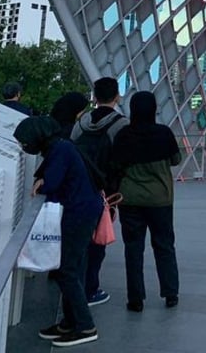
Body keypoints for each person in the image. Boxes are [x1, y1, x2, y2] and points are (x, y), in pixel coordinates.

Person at [14, 116, 103, 348]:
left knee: (67, 270)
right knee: (75, 267)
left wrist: (42, 182)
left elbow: (51, 183)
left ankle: (85, 326)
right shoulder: (62, 146)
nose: (24, 147)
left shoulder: (60, 150)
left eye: (25, 142)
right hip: (84, 210)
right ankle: (70, 321)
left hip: (79, 214)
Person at [110, 91, 181, 312]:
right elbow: (176, 160)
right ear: (153, 109)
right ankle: (170, 292)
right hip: (160, 199)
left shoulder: (124, 135)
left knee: (133, 248)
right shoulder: (163, 133)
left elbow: (115, 164)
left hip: (129, 199)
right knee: (164, 245)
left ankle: (135, 298)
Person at [71, 77, 128, 306]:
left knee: (81, 237)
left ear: (94, 97)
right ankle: (90, 287)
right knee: (99, 237)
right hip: (107, 190)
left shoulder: (82, 122)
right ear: (117, 97)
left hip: (81, 187)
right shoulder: (121, 124)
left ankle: (78, 283)